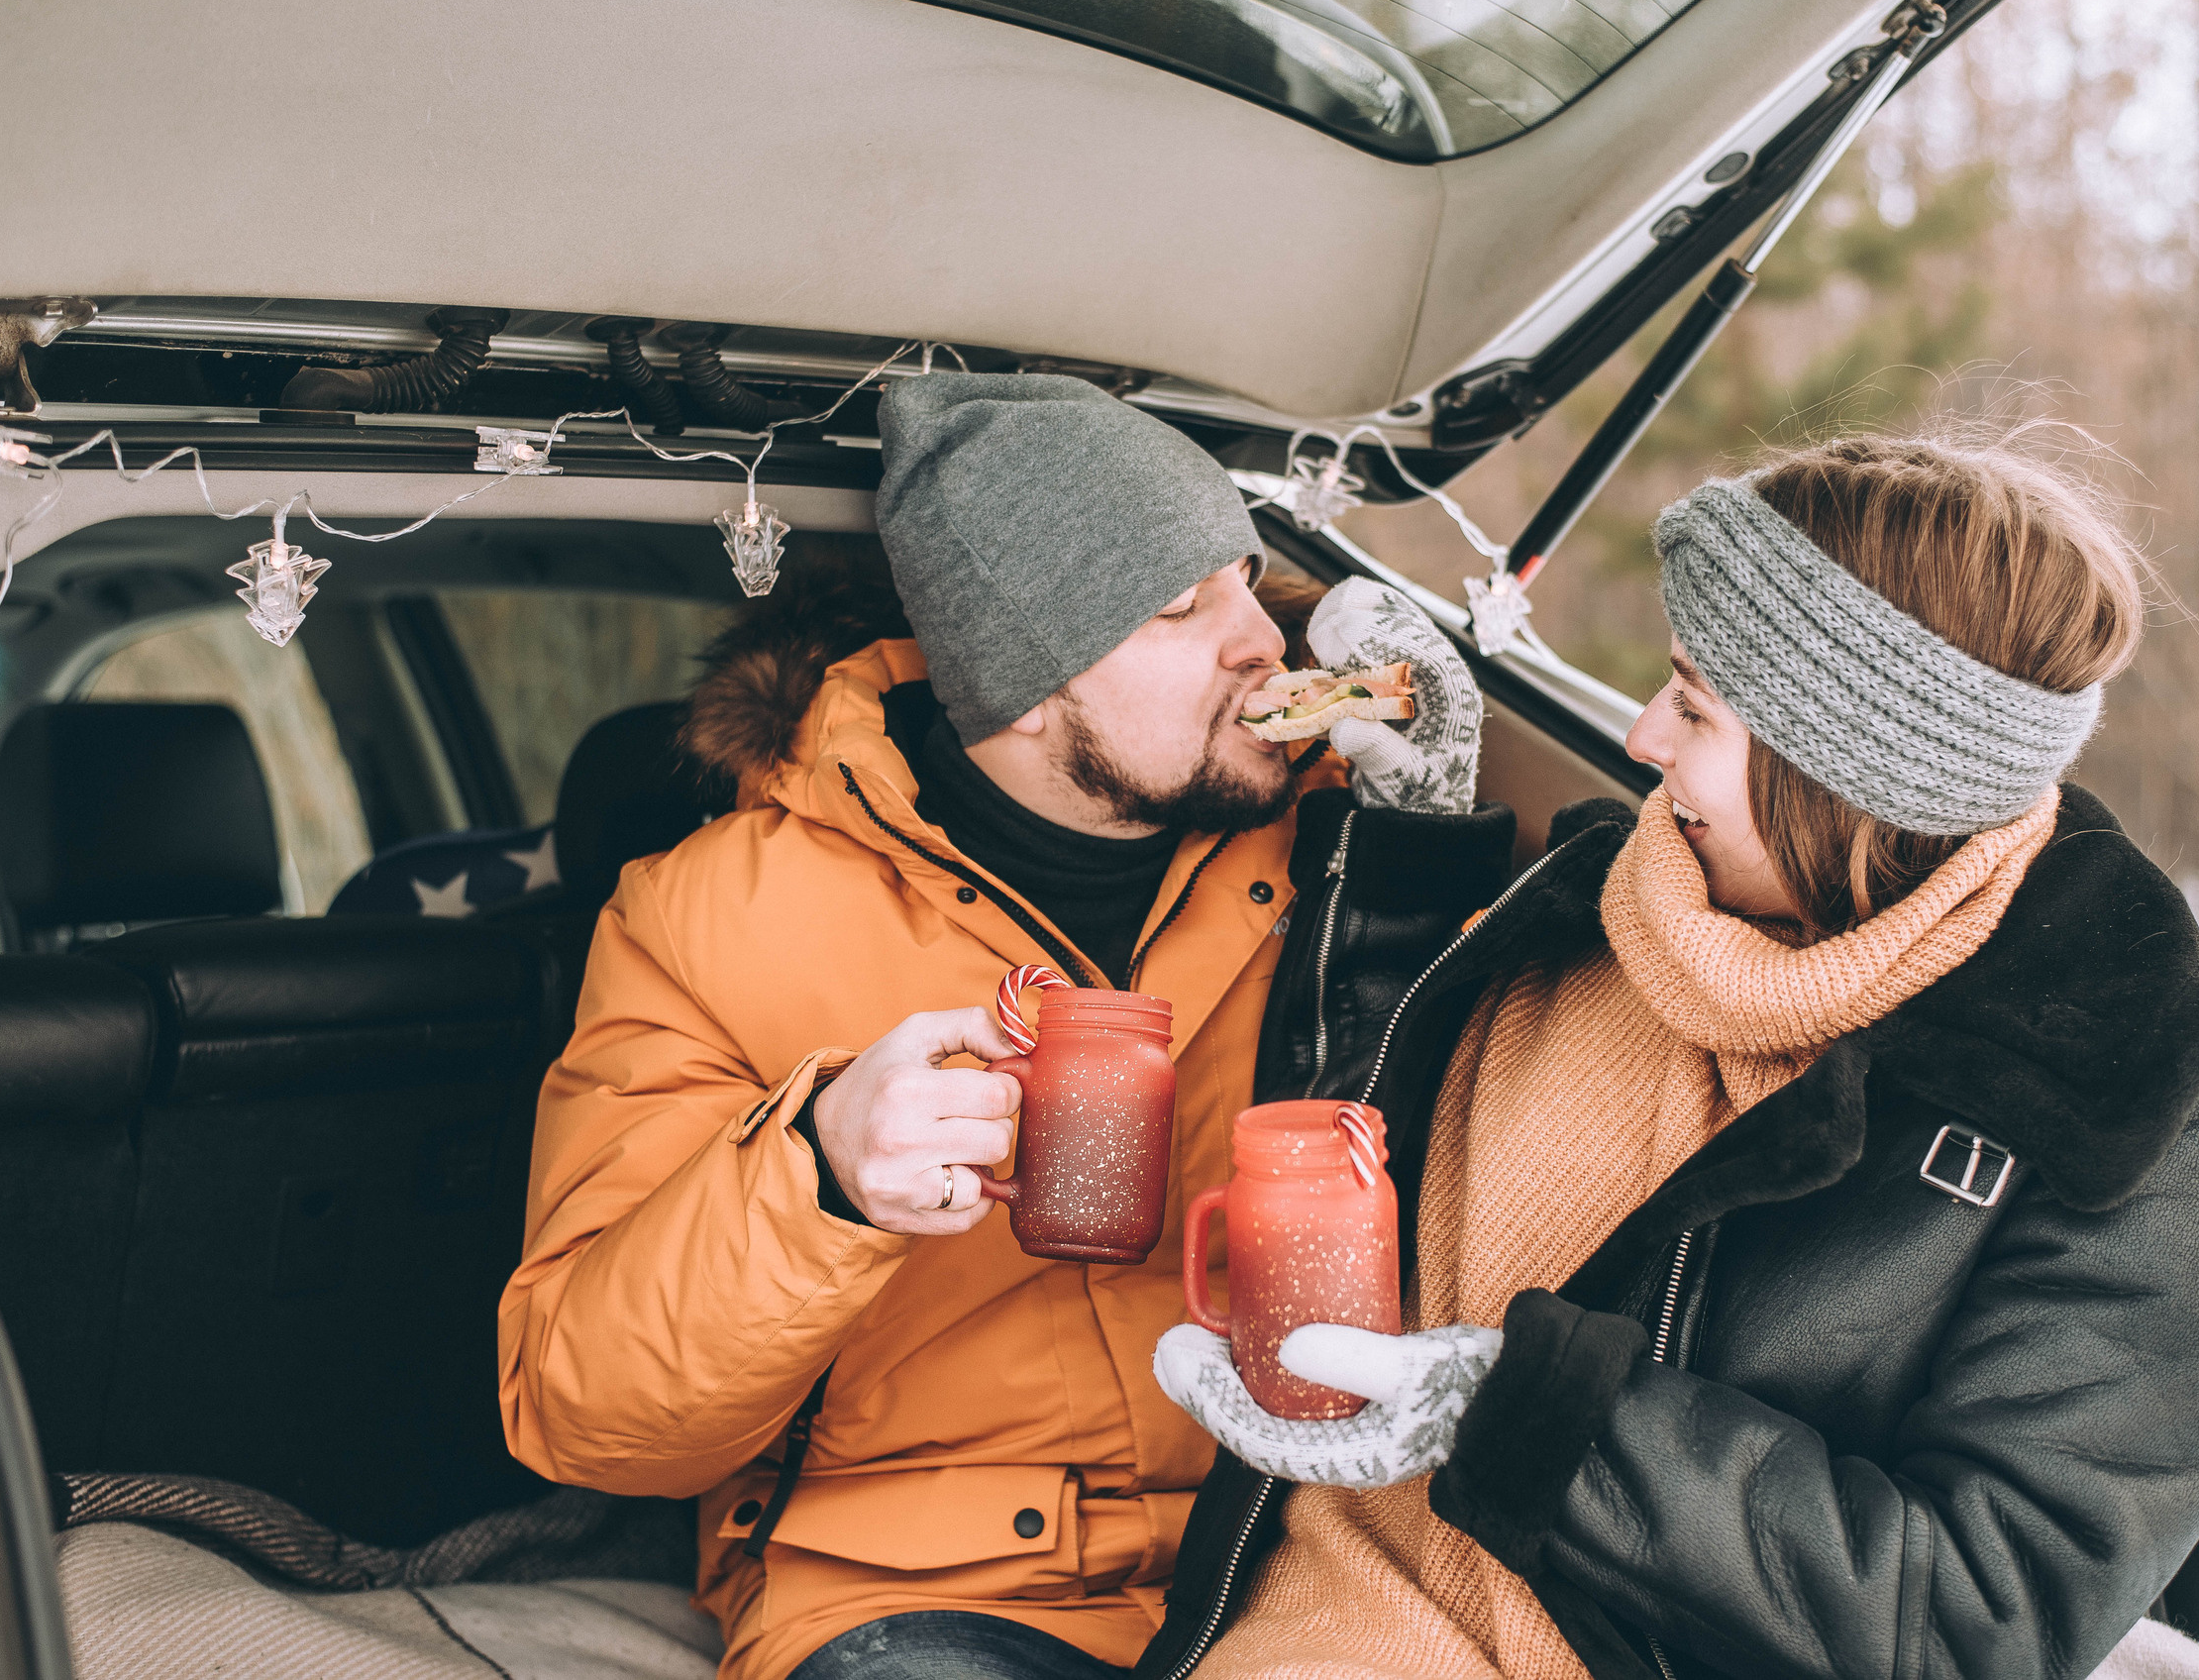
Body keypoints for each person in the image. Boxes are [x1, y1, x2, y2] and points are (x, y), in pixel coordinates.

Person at [1150, 434, 2199, 1680]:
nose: (1639, 736)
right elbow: (1360, 1152)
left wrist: (1536, 1420)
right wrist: (1406, 855)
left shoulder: (2127, 1119)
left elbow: (1971, 1616)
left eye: (1692, 703)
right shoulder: (1589, 908)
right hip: (1294, 1628)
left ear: (1843, 767)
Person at [496, 371, 1504, 1680]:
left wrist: (1426, 870)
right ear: (1026, 688)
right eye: (1179, 605)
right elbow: (587, 1417)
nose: (1264, 641)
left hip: (1312, 1551)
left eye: (1249, 582)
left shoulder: (1344, 836)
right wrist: (819, 1174)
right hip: (925, 1584)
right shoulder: (706, 922)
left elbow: (1485, 1169)